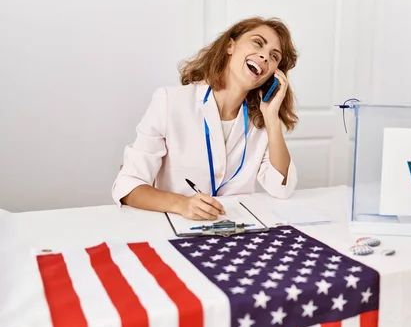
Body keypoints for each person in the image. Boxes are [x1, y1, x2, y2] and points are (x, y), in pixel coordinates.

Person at [111, 17, 299, 221]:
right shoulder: (170, 101)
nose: (264, 57)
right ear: (230, 46)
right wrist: (181, 203)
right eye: (258, 43)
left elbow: (282, 188)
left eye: (274, 57)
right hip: (177, 228)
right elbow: (127, 186)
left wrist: (272, 119)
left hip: (237, 230)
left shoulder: (260, 121)